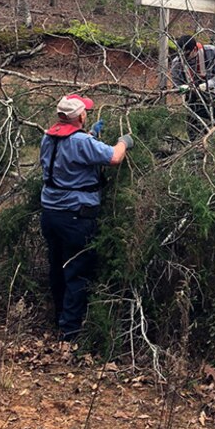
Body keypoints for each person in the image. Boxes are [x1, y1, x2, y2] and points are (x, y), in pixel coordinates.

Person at [39, 93, 133, 342]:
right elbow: (114, 157)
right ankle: (70, 332)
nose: (87, 114)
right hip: (76, 217)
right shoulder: (81, 141)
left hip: (50, 214)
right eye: (85, 113)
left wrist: (90, 135)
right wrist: (124, 142)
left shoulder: (48, 138)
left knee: (57, 268)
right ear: (79, 116)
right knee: (77, 271)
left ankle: (58, 318)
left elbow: (71, 150)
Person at [170, 34, 215, 139]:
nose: (183, 57)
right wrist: (182, 88)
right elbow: (176, 85)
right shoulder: (177, 63)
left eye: (186, 54)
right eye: (180, 54)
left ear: (194, 49)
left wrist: (208, 85)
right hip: (194, 101)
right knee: (194, 134)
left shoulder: (211, 52)